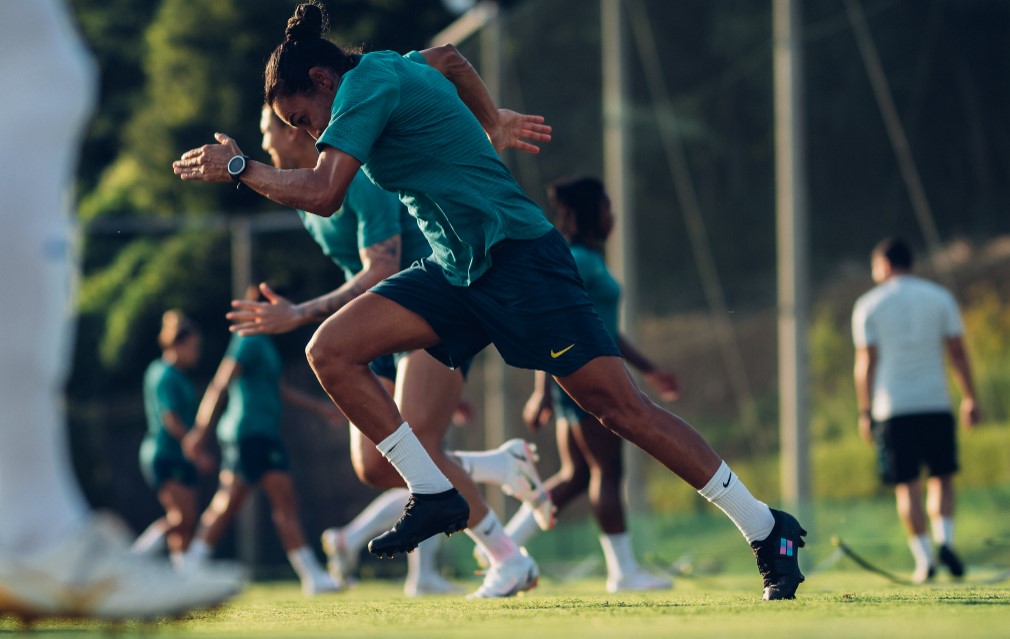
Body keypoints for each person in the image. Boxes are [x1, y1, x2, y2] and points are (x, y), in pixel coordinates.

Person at [173, 1, 806, 600]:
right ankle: (436, 492)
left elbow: (323, 191)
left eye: (304, 119)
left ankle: (764, 527)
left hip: (520, 259)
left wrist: (239, 169)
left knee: (622, 411)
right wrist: (493, 118)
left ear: (322, 78)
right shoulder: (389, 68)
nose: (310, 132)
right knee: (330, 351)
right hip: (456, 271)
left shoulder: (364, 88)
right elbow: (448, 57)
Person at [224, 105, 552, 598]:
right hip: (381, 316)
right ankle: (500, 467)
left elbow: (383, 266)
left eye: (268, 129)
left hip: (432, 302)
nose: (264, 141)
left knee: (419, 442)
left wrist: (301, 312)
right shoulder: (304, 194)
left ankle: (509, 558)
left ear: (296, 129)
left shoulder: (352, 176)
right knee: (377, 465)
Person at [0, 0, 241, 620]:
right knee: (43, 71)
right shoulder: (170, 375)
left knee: (44, 68)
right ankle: (32, 533)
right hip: (170, 453)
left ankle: (34, 525)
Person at [502, 176, 679, 593]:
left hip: (584, 378)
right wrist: (541, 390)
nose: (611, 217)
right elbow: (552, 322)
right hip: (588, 383)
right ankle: (623, 573)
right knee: (606, 472)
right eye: (606, 209)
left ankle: (504, 543)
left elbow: (604, 331)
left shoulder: (590, 260)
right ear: (588, 213)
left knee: (578, 475)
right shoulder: (578, 260)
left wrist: (650, 369)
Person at [179, 286, 343, 595]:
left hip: (260, 434)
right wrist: (200, 430)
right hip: (249, 433)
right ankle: (312, 576)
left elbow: (277, 389)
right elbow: (220, 383)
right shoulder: (249, 339)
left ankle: (189, 566)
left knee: (232, 502)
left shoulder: (264, 344)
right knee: (276, 501)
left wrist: (320, 407)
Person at [852, 237, 979, 583]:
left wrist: (865, 411)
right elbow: (958, 353)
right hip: (935, 403)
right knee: (942, 478)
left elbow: (866, 363)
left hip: (892, 409)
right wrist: (970, 397)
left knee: (906, 486)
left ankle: (925, 560)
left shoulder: (869, 305)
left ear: (885, 265)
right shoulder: (940, 298)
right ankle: (946, 541)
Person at [135, 311, 209, 569]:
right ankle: (137, 556)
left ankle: (182, 572)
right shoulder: (164, 374)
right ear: (178, 344)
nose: (196, 353)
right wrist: (195, 449)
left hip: (179, 455)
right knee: (181, 517)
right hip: (165, 453)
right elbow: (171, 418)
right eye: (193, 347)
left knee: (187, 522)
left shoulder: (177, 374)